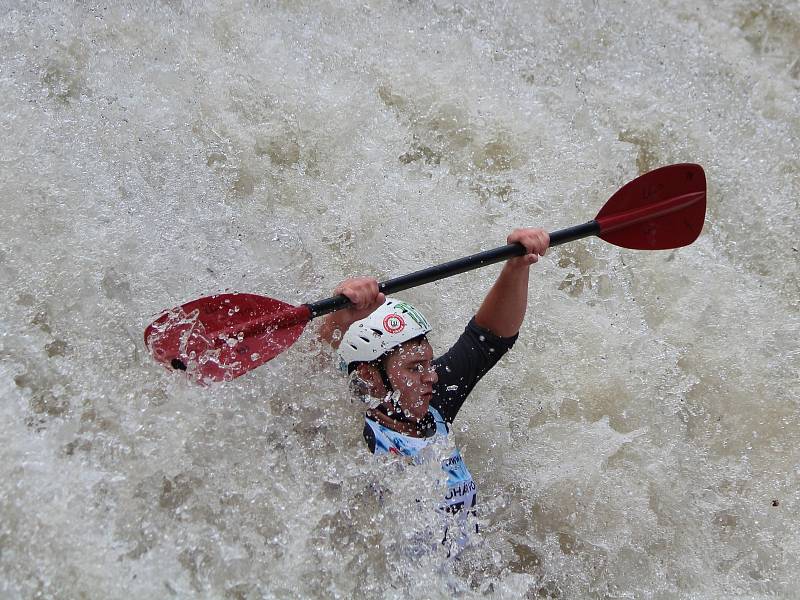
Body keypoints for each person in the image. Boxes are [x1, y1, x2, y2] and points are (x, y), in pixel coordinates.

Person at [317, 227, 550, 544]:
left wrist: (517, 267)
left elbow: (488, 339)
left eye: (428, 362)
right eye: (414, 368)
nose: (431, 376)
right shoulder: (353, 430)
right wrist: (337, 320)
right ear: (370, 377)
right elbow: (302, 391)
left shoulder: (432, 402)